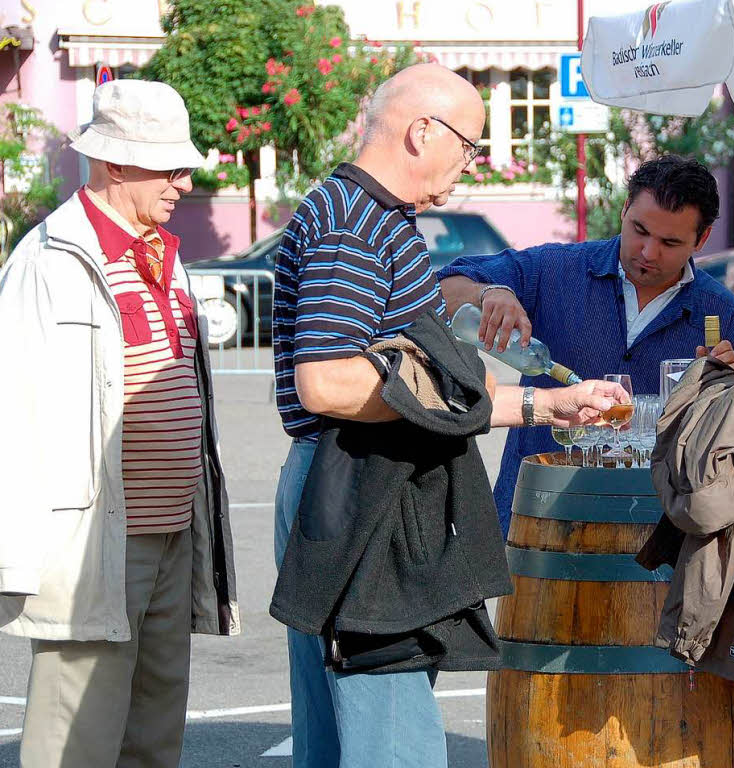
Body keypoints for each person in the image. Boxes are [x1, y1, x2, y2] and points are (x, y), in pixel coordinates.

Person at [271, 62, 627, 768]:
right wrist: (516, 400)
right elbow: (328, 382)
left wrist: (542, 398)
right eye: (470, 144)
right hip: (360, 491)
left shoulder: (372, 216)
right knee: (393, 739)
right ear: (421, 131)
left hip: (351, 486)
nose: (472, 162)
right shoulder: (353, 223)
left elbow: (425, 388)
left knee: (343, 733)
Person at [0, 79, 238, 768]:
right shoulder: (49, 260)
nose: (184, 182)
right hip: (95, 540)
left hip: (170, 532)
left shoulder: (165, 254)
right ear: (113, 164)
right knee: (73, 736)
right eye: (169, 166)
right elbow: (12, 407)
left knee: (155, 729)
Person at [438, 154, 734, 532]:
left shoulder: (723, 315)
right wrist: (488, 292)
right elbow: (441, 290)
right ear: (624, 210)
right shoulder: (554, 269)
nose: (648, 252)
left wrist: (732, 394)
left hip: (657, 539)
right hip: (538, 523)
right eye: (639, 230)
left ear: (701, 239)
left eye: (670, 242)